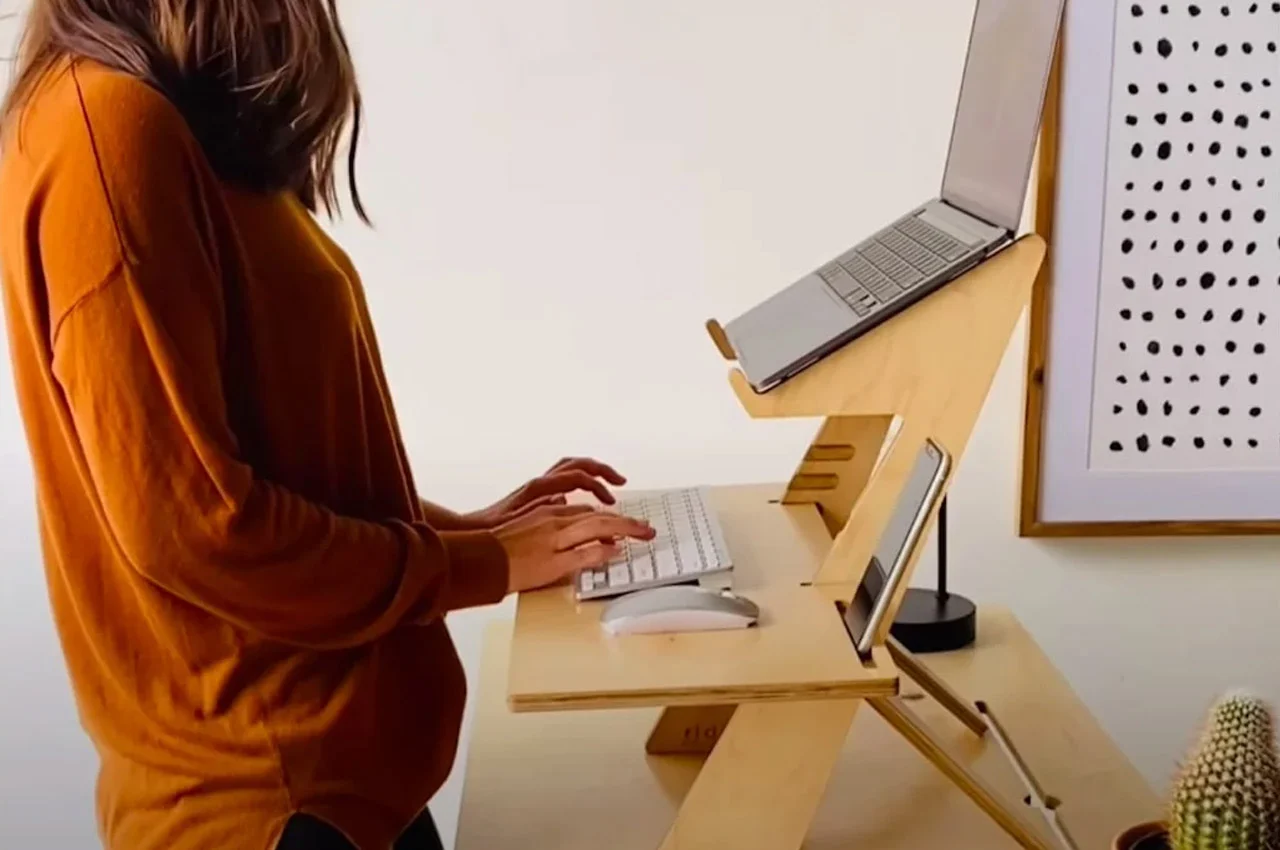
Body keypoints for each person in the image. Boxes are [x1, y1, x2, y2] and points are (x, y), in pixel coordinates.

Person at [0, 2, 656, 849]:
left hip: (327, 781)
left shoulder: (157, 111)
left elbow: (255, 460)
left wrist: (463, 532)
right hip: (269, 801)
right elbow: (201, 531)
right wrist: (474, 567)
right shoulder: (108, 132)